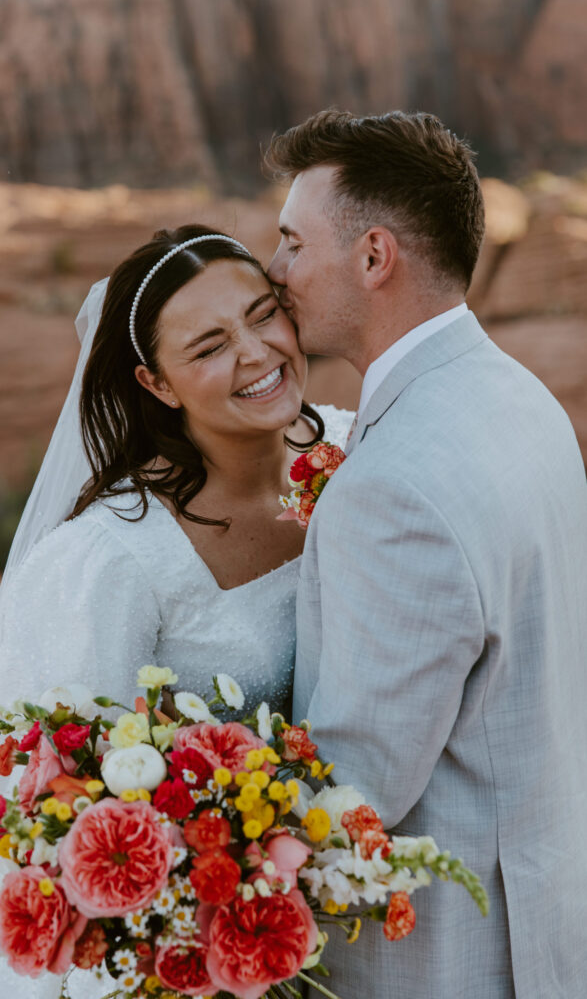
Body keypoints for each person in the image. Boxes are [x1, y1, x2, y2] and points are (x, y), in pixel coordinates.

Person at [0, 224, 354, 999]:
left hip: (347, 915)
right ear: (156, 384)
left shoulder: (356, 454)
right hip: (182, 956)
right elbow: (56, 817)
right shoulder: (108, 562)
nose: (256, 353)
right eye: (209, 346)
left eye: (263, 314)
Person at [267, 110, 587, 999]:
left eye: (292, 242)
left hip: (447, 958)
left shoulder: (392, 485)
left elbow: (354, 785)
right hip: (546, 909)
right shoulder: (522, 399)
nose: (274, 271)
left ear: (374, 257)